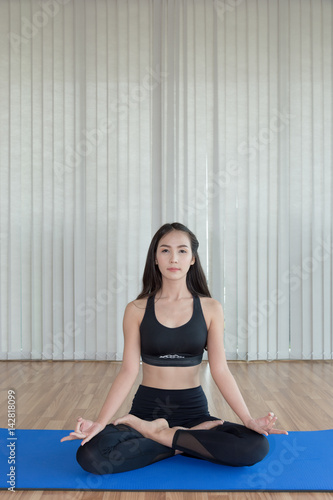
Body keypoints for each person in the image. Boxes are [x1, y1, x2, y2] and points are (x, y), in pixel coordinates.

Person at [61, 222, 287, 475]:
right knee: (90, 455)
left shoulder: (211, 308)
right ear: (155, 258)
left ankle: (159, 436)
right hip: (147, 411)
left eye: (182, 251)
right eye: (165, 251)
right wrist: (100, 423)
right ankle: (181, 440)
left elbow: (220, 369)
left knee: (255, 447)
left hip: (195, 412)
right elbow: (127, 371)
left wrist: (248, 420)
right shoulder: (136, 309)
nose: (173, 258)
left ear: (192, 259)